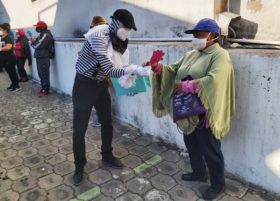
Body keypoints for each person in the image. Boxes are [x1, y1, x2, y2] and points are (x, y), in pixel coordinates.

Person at [149, 18, 236, 200]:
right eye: (194, 35)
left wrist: (188, 86)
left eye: (199, 34)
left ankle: (218, 184)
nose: (195, 38)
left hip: (205, 112)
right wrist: (158, 69)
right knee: (191, 143)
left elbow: (215, 79)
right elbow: (173, 70)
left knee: (210, 149)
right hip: (188, 110)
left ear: (212, 35)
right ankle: (199, 172)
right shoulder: (192, 53)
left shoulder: (220, 55)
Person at [72, 9, 145, 185]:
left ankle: (107, 155)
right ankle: (79, 165)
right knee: (80, 129)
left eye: (129, 29)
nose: (127, 32)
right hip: (85, 85)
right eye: (126, 28)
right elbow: (111, 70)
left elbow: (121, 65)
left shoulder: (118, 39)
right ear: (116, 23)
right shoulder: (98, 35)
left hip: (100, 85)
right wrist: (133, 70)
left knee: (107, 122)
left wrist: (131, 84)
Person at [30, 21, 54, 97]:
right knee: (41, 74)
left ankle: (45, 90)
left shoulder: (46, 35)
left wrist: (32, 43)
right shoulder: (42, 34)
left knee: (44, 74)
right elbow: (37, 43)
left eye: (38, 26)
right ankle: (43, 88)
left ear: (42, 27)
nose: (36, 28)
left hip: (44, 57)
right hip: (40, 57)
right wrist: (33, 41)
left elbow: (37, 45)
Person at [0, 23, 20, 91]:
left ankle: (17, 86)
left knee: (12, 72)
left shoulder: (8, 37)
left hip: (10, 58)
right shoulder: (1, 37)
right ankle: (13, 84)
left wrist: (0, 49)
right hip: (4, 58)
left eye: (1, 29)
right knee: (9, 72)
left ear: (5, 30)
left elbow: (9, 47)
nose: (0, 30)